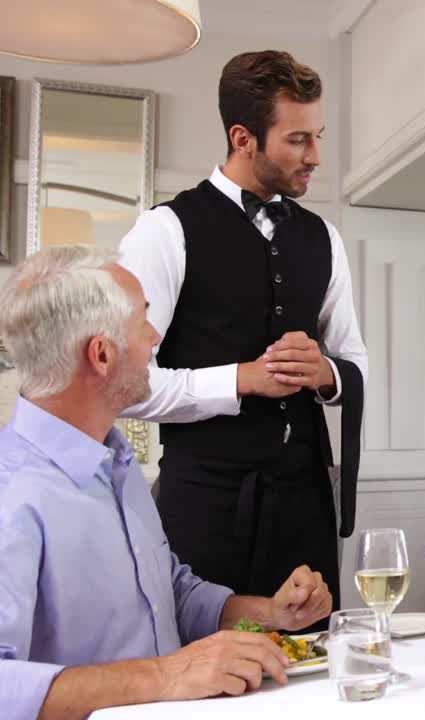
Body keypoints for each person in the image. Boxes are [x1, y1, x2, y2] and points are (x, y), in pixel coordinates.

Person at [0, 246, 333, 720]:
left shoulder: (114, 461)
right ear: (101, 355)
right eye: (143, 324)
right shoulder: (10, 494)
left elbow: (166, 595)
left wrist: (271, 614)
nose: (155, 338)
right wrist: (166, 675)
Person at [117, 51, 367, 617]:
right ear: (243, 137)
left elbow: (354, 358)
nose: (316, 157)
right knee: (205, 683)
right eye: (298, 140)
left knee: (315, 677)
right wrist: (241, 380)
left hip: (304, 509)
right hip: (204, 510)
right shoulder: (164, 232)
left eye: (318, 137)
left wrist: (326, 374)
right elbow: (131, 386)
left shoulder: (324, 238)